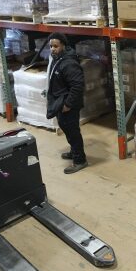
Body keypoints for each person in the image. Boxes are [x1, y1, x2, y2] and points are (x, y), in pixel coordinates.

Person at [46, 33, 88, 174]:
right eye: (51, 46)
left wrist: (68, 105)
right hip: (61, 103)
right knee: (68, 130)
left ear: (64, 45)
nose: (53, 49)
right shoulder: (59, 59)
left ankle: (79, 160)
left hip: (68, 105)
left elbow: (77, 86)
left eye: (56, 46)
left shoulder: (68, 63)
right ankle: (73, 152)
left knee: (73, 132)